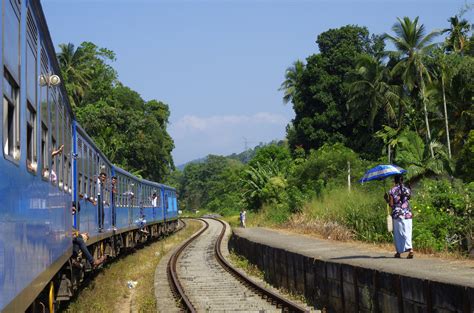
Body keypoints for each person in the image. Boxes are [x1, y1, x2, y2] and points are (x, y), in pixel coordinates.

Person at [387, 175, 414, 259]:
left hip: (398, 214)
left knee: (399, 234)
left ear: (394, 181)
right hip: (407, 214)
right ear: (402, 180)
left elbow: (391, 204)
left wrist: (386, 199)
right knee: (407, 232)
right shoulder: (406, 189)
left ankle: (399, 252)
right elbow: (409, 197)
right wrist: (410, 189)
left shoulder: (392, 190)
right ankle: (410, 250)